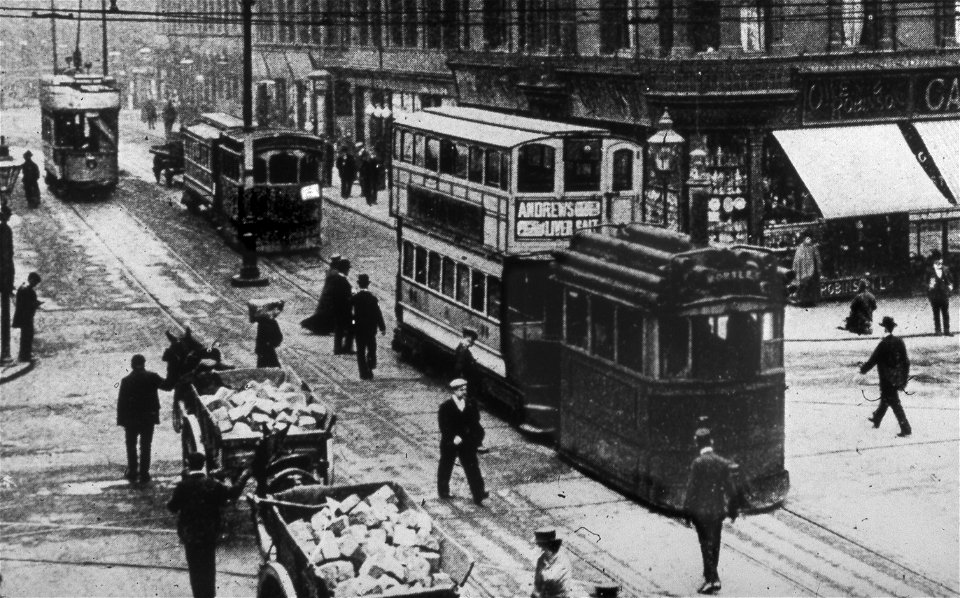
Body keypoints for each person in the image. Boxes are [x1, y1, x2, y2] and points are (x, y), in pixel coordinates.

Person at [168, 451, 250, 598]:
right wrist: (244, 476)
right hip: (209, 533)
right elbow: (233, 492)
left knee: (195, 569)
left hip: (190, 535)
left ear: (188, 465)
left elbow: (172, 507)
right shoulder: (212, 484)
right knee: (208, 568)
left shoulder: (183, 486)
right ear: (203, 464)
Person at [683, 427, 739, 595]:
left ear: (696, 443)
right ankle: (712, 576)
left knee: (705, 544)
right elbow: (731, 489)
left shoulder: (698, 463)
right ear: (711, 442)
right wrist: (733, 510)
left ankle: (712, 579)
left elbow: (691, 490)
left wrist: (687, 512)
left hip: (701, 512)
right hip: (717, 511)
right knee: (714, 543)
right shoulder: (721, 462)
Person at [116, 354, 169, 483]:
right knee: (146, 446)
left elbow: (121, 402)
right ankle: (144, 472)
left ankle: (133, 470)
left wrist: (121, 420)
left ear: (132, 365)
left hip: (131, 418)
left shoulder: (126, 380)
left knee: (131, 445)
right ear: (144, 363)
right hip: (148, 418)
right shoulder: (152, 377)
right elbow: (167, 386)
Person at [437, 378, 489, 505]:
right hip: (451, 442)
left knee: (472, 467)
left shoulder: (471, 404)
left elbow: (474, 422)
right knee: (446, 465)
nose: (464, 392)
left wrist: (472, 437)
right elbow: (444, 425)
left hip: (466, 442)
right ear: (454, 391)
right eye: (461, 390)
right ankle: (443, 490)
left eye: (465, 389)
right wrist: (453, 437)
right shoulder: (445, 407)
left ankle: (479, 493)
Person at [861, 316, 912, 437]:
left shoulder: (883, 344)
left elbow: (873, 360)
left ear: (884, 329)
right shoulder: (899, 341)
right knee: (886, 399)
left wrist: (863, 370)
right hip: (897, 377)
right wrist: (904, 378)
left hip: (886, 379)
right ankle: (877, 418)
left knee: (894, 403)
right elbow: (906, 362)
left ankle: (906, 428)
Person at [351, 273, 386, 380]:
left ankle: (363, 373)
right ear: (368, 285)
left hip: (359, 330)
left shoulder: (354, 299)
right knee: (371, 349)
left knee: (360, 351)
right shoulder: (373, 299)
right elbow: (378, 314)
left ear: (359, 284)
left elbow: (351, 314)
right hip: (371, 330)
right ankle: (370, 368)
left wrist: (352, 325)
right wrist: (382, 327)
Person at [531, 527, 575, 598]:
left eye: (541, 546)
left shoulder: (563, 561)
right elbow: (537, 584)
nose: (540, 548)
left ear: (548, 546)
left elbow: (561, 588)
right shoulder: (541, 560)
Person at [12, 272, 42, 362]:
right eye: (35, 282)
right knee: (27, 336)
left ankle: (24, 355)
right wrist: (36, 304)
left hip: (23, 316)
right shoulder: (28, 290)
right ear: (31, 280)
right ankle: (25, 356)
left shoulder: (23, 287)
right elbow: (27, 304)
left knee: (26, 336)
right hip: (26, 317)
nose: (35, 285)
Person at [329, 258, 354, 355]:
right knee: (351, 327)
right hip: (344, 309)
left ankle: (338, 348)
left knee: (339, 328)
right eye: (348, 269)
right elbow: (344, 295)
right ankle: (346, 348)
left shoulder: (337, 279)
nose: (348, 271)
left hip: (338, 309)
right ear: (344, 269)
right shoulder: (342, 280)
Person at [791, 235, 823, 307]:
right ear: (804, 239)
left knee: (811, 286)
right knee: (803, 286)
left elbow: (817, 259)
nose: (809, 240)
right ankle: (803, 302)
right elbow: (796, 261)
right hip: (802, 271)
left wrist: (818, 267)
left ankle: (811, 301)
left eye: (810, 238)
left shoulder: (813, 247)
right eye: (807, 238)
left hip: (811, 270)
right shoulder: (800, 248)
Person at [926, 255, 954, 336]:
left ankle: (947, 330)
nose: (939, 263)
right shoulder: (929, 271)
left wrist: (950, 287)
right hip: (934, 295)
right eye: (937, 261)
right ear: (934, 262)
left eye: (940, 261)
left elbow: (950, 279)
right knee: (936, 313)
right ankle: (938, 330)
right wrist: (929, 287)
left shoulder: (946, 269)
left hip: (944, 294)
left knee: (945, 313)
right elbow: (924, 282)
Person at [255, 303, 283, 367]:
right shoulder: (264, 322)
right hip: (265, 349)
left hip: (267, 348)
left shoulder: (272, 322)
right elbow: (261, 338)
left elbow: (278, 335)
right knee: (271, 367)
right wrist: (273, 342)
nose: (278, 312)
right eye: (277, 310)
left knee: (264, 367)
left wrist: (276, 341)